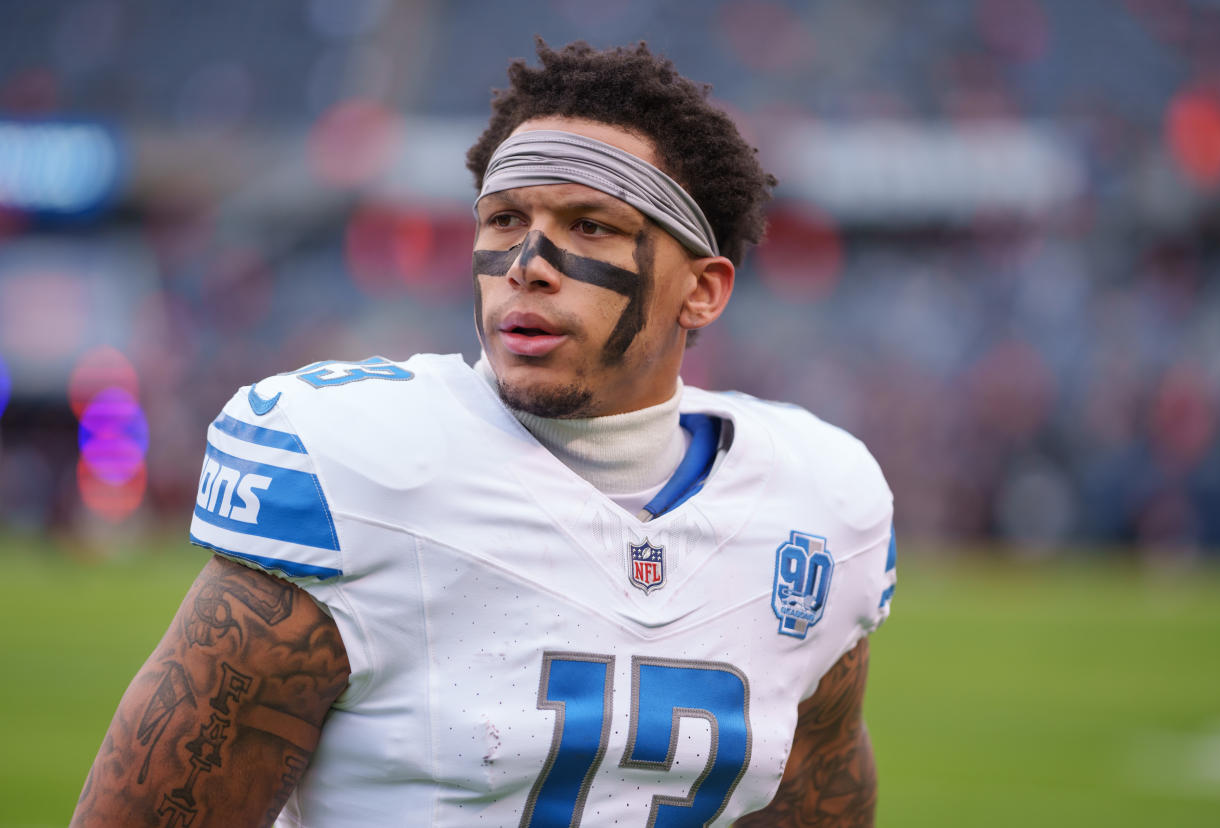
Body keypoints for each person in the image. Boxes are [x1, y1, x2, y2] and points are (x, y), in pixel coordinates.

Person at [71, 39, 896, 827]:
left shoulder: (818, 501)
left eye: (592, 226)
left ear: (705, 290)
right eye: (503, 220)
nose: (527, 262)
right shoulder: (363, 468)